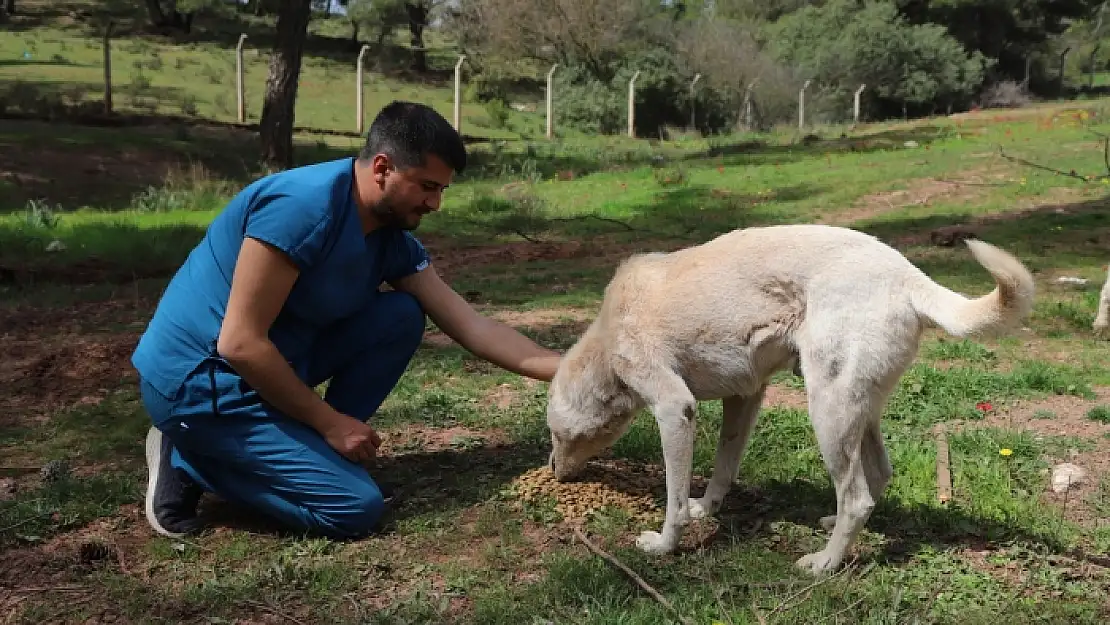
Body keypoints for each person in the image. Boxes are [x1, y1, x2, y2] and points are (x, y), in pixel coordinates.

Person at [131, 101, 563, 539]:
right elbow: (240, 343)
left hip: (268, 365)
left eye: (442, 190)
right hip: (202, 383)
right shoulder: (299, 208)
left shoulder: (387, 231)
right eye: (427, 186)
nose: (435, 203)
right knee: (354, 508)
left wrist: (579, 370)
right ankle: (188, 456)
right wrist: (330, 422)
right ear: (382, 168)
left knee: (401, 315)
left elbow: (473, 326)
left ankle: (308, 453)